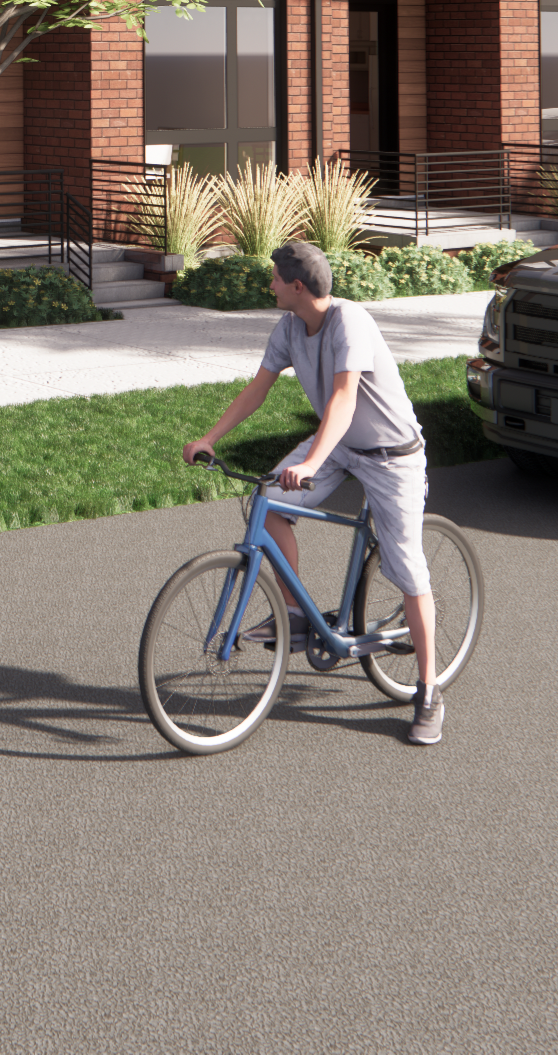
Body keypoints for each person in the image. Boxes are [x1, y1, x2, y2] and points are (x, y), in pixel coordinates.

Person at [182, 239, 444, 747]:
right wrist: (210, 438)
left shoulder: (351, 323)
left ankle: (429, 691)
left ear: (297, 286)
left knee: (408, 568)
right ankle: (297, 615)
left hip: (392, 456)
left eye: (276, 279)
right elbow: (258, 389)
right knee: (269, 505)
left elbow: (344, 399)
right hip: (339, 446)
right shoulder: (288, 327)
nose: (271, 285)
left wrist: (310, 463)